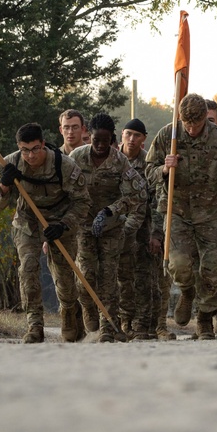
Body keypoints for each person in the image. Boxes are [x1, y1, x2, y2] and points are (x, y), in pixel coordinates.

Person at [145, 94, 217, 340]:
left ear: (205, 118)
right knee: (178, 264)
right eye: (187, 124)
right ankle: (187, 291)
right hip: (177, 211)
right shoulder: (167, 135)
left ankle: (204, 320)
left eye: (197, 124)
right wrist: (163, 168)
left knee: (213, 269)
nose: (191, 129)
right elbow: (147, 170)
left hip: (210, 214)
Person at [0, 123, 91, 343]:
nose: (30, 155)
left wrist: (64, 225)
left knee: (64, 276)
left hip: (60, 220)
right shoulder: (8, 163)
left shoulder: (64, 165)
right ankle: (34, 324)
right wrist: (5, 186)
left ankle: (68, 313)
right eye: (25, 150)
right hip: (27, 222)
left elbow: (83, 202)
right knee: (27, 269)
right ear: (19, 147)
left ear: (43, 144)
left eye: (35, 149)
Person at [70, 114, 146, 342]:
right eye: (96, 141)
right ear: (89, 138)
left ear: (112, 138)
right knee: (86, 276)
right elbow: (66, 191)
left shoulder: (119, 161)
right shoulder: (76, 158)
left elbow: (137, 195)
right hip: (84, 226)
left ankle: (107, 327)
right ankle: (88, 308)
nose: (101, 146)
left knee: (108, 278)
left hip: (111, 228)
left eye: (105, 141)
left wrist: (110, 211)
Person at [117, 118, 163, 340]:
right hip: (115, 229)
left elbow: (157, 201)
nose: (132, 139)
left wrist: (157, 234)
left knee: (144, 279)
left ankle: (144, 326)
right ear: (121, 135)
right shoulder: (112, 160)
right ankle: (124, 323)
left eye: (137, 135)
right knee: (120, 278)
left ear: (144, 139)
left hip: (143, 231)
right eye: (128, 134)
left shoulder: (149, 164)